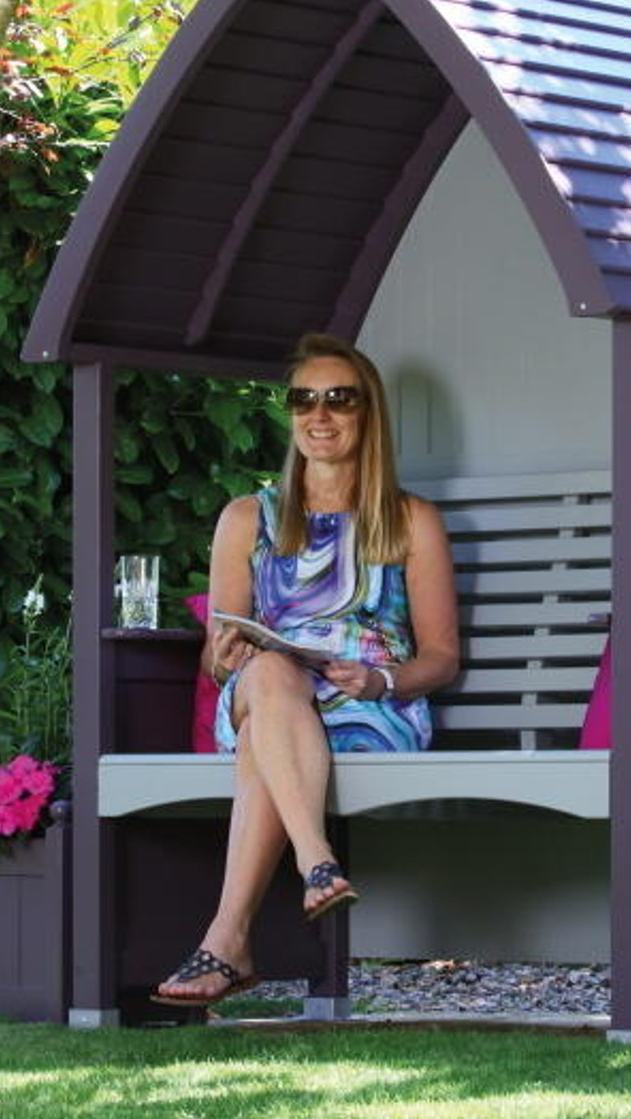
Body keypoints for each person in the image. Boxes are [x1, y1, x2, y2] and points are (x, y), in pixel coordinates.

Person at [153, 333, 460, 1006]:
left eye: (339, 400)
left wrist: (379, 680)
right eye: (304, 400)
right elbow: (218, 650)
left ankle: (228, 940)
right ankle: (315, 861)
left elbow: (440, 657)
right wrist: (224, 652)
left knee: (270, 727)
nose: (319, 415)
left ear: (367, 413)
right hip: (269, 688)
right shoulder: (246, 518)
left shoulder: (411, 521)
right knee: (266, 679)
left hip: (367, 707)